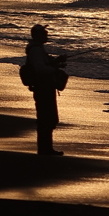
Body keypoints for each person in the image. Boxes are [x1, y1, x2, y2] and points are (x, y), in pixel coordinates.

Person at [25, 24, 67, 156]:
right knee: (46, 119)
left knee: (47, 118)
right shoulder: (36, 50)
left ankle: (46, 148)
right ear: (37, 36)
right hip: (43, 87)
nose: (46, 35)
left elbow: (43, 65)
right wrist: (54, 69)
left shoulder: (37, 49)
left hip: (44, 87)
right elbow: (40, 69)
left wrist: (56, 62)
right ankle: (45, 150)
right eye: (44, 33)